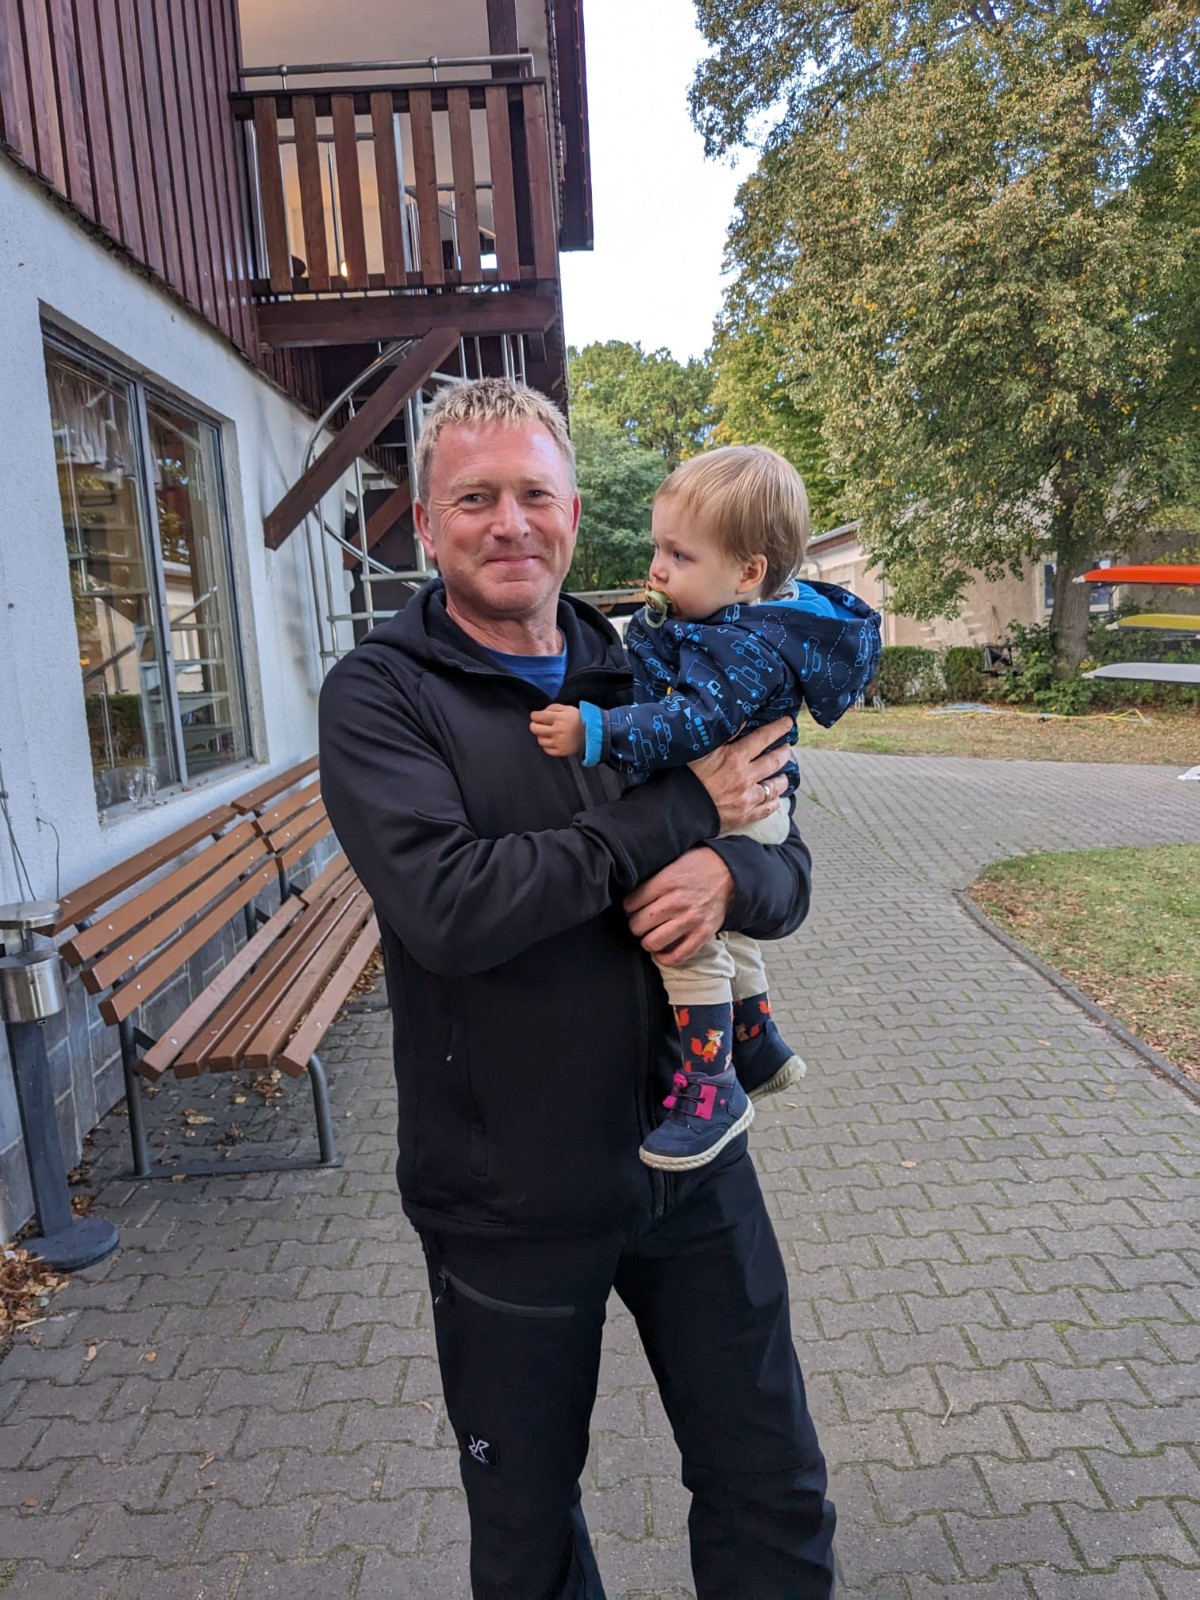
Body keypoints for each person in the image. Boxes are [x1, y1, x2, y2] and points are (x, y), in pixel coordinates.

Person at [319, 378, 837, 1600]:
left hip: (692, 1157)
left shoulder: (652, 661)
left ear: (571, 509)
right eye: (474, 498)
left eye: (533, 494)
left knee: (771, 1483)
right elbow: (452, 908)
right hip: (506, 1194)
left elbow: (789, 871)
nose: (509, 522)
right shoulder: (383, 695)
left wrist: (726, 871)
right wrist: (678, 812)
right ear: (426, 521)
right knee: (528, 1533)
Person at [532, 445, 882, 1172]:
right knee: (728, 926)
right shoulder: (739, 626)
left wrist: (597, 731)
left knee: (679, 931)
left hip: (740, 807)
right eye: (659, 548)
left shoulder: (742, 647)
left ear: (747, 573)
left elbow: (691, 722)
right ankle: (758, 1040)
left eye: (679, 556)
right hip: (753, 806)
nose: (657, 569)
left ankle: (711, 1083)